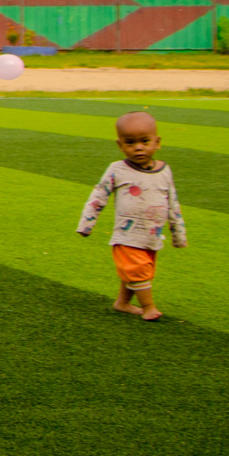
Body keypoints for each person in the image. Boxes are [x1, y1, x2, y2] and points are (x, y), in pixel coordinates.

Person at [78, 111, 187, 322]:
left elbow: (172, 202)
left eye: (145, 141)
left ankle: (123, 302)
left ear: (157, 142)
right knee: (138, 271)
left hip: (152, 236)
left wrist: (178, 233)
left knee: (135, 272)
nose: (138, 147)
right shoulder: (117, 170)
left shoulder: (165, 171)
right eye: (130, 142)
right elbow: (98, 196)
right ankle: (149, 306)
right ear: (120, 145)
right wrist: (86, 224)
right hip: (126, 235)